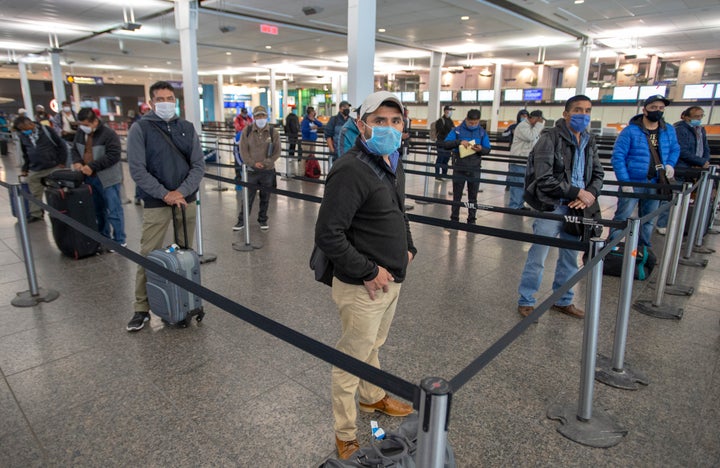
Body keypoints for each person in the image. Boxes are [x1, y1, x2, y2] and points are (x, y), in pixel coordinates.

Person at [314, 91, 416, 461]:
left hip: (391, 280)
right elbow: (328, 234)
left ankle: (373, 397)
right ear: (361, 125)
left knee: (373, 345)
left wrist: (409, 246)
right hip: (363, 285)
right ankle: (345, 433)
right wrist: (370, 271)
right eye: (379, 120)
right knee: (350, 358)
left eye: (396, 121)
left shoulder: (393, 160)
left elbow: (399, 212)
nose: (389, 128)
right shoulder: (351, 169)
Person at [126, 80, 205, 332]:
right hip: (156, 203)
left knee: (184, 255)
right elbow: (137, 169)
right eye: (160, 99)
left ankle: (184, 302)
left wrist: (180, 192)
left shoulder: (186, 127)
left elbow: (198, 165)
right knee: (148, 255)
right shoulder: (141, 129)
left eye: (170, 98)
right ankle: (141, 308)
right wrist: (165, 194)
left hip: (185, 200)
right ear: (151, 103)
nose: (166, 103)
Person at [517, 95, 604, 319]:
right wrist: (577, 192)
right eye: (578, 110)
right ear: (566, 114)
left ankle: (563, 300)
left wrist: (589, 194)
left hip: (578, 208)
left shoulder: (589, 140)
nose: (583, 115)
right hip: (552, 206)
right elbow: (543, 177)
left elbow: (598, 174)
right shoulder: (550, 138)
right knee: (538, 255)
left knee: (570, 257)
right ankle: (526, 300)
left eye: (587, 110)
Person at [607, 94, 679, 246]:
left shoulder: (668, 130)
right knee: (622, 217)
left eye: (661, 108)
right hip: (634, 181)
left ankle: (642, 251)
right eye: (653, 108)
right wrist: (625, 181)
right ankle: (613, 249)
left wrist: (670, 164)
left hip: (656, 182)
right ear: (645, 110)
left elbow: (674, 149)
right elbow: (618, 157)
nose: (657, 111)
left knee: (648, 220)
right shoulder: (630, 131)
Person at [71, 107, 126, 248]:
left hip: (108, 178)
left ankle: (119, 240)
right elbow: (75, 149)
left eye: (86, 125)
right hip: (89, 178)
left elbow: (113, 155)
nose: (83, 128)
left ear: (95, 121)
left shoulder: (108, 134)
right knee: (97, 209)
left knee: (114, 210)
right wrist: (77, 161)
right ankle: (103, 237)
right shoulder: (80, 133)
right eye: (81, 125)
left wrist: (93, 166)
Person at [656, 106, 711, 234]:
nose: (699, 119)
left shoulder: (700, 130)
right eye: (696, 116)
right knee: (671, 197)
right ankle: (662, 224)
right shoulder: (680, 130)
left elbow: (705, 147)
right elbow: (682, 151)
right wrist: (701, 161)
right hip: (680, 168)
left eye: (701, 116)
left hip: (695, 168)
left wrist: (705, 161)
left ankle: (677, 225)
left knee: (685, 198)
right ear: (686, 117)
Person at [233, 105, 281, 231]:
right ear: (254, 117)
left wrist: (265, 163)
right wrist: (253, 163)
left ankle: (263, 219)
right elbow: (243, 150)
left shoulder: (273, 132)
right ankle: (242, 220)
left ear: (267, 116)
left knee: (265, 197)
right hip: (251, 170)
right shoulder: (247, 131)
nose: (261, 118)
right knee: (247, 197)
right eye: (258, 116)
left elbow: (277, 151)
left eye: (263, 115)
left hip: (267, 171)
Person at [13, 115, 67, 222]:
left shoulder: (46, 130)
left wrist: (62, 162)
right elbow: (26, 153)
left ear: (30, 123)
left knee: (55, 191)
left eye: (25, 129)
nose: (24, 131)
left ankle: (60, 211)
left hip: (52, 166)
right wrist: (25, 168)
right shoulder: (23, 136)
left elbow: (61, 145)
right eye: (21, 130)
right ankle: (36, 214)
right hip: (35, 168)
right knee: (34, 192)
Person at [442, 108, 491, 224]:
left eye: (475, 123)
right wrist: (459, 142)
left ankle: (472, 219)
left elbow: (488, 149)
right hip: (459, 166)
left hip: (475, 167)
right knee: (457, 195)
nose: (473, 125)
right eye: (471, 122)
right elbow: (446, 144)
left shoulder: (482, 132)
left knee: (473, 196)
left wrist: (481, 149)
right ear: (466, 119)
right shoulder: (457, 131)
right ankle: (454, 218)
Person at [507, 110, 544, 209]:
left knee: (524, 185)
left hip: (527, 162)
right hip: (518, 162)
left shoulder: (532, 128)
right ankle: (514, 206)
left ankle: (520, 204)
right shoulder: (522, 126)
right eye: (538, 120)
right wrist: (539, 125)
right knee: (517, 185)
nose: (539, 123)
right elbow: (531, 137)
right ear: (533, 118)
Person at [433, 105, 455, 179]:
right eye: (450, 110)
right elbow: (441, 130)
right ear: (445, 111)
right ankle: (437, 175)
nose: (451, 112)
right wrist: (450, 130)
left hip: (448, 143)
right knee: (440, 158)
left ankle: (444, 174)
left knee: (446, 159)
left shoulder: (450, 121)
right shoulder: (441, 120)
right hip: (441, 142)